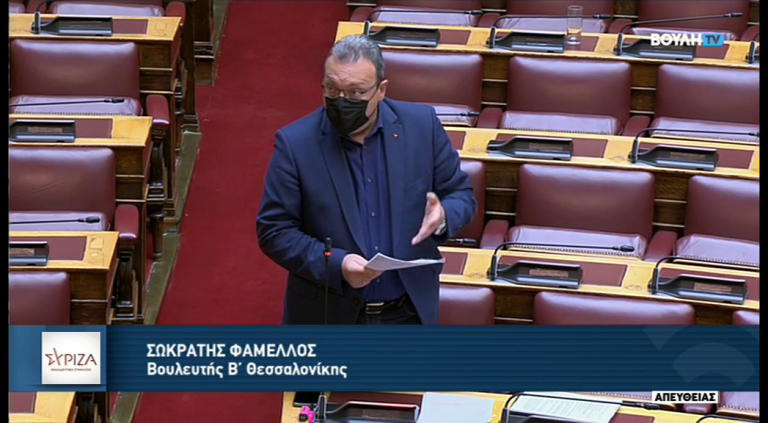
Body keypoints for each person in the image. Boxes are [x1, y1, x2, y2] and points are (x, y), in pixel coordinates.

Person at [257, 35, 476, 325]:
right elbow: (275, 231)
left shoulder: (421, 126)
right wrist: (337, 263)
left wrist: (444, 214)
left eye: (356, 93)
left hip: (408, 311)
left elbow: (461, 194)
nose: (342, 101)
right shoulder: (295, 144)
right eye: (332, 89)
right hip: (329, 314)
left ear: (381, 90)